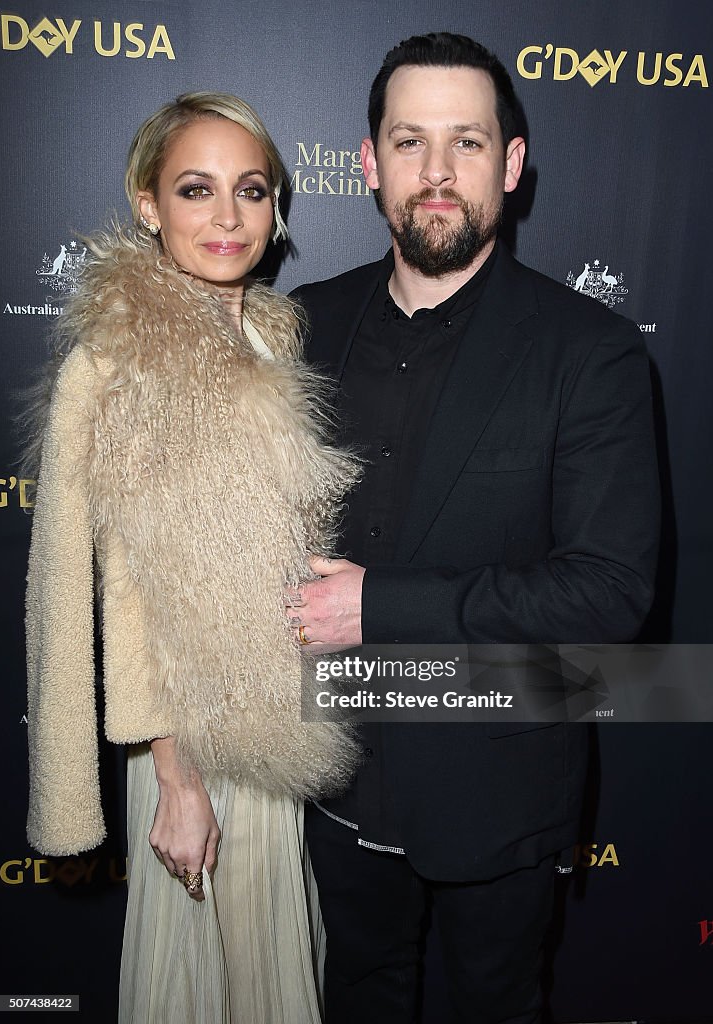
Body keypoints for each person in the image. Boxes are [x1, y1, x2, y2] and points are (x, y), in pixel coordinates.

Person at [288, 33, 660, 1024]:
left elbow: (607, 594)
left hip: (495, 796)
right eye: (409, 142)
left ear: (509, 162)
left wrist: (375, 604)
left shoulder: (590, 354)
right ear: (368, 164)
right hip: (327, 778)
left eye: (466, 142)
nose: (437, 173)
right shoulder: (302, 325)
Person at [24, 92, 360, 1024]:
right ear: (148, 205)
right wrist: (175, 781)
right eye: (195, 189)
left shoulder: (268, 334)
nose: (226, 216)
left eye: (249, 190)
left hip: (276, 718)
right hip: (193, 737)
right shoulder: (127, 354)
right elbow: (127, 588)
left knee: (269, 973)